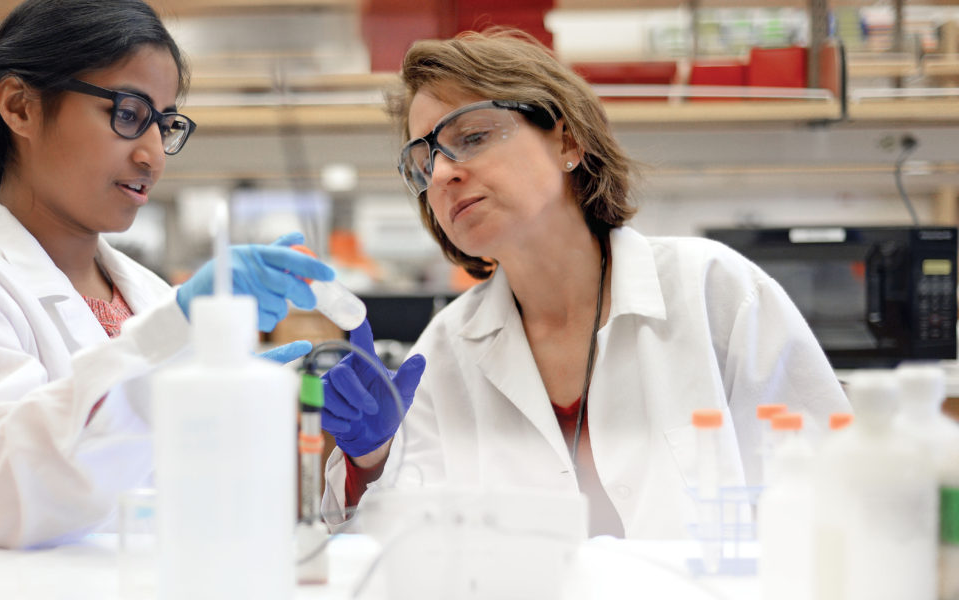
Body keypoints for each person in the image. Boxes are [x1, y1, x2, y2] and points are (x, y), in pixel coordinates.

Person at [318, 29, 850, 538]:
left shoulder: (716, 293)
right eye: (423, 160)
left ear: (567, 140)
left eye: (472, 136)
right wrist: (373, 459)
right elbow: (408, 553)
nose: (440, 175)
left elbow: (838, 501)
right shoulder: (446, 349)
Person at [0, 0, 333, 549]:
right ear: (20, 107)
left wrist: (256, 418)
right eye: (128, 114)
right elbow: (7, 497)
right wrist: (167, 352)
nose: (153, 155)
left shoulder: (149, 294)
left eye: (164, 124)